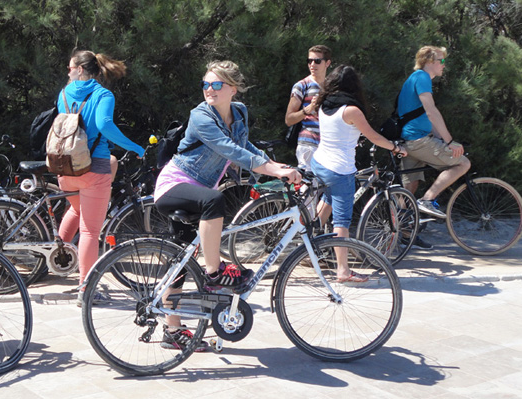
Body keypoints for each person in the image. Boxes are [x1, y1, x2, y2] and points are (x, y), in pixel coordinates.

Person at [154, 60, 300, 350]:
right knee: (215, 201)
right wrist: (271, 170)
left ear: (232, 88)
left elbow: (246, 146)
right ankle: (214, 272)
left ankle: (172, 331)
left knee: (181, 260)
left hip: (200, 189)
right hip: (174, 185)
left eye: (216, 84)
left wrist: (276, 165)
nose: (209, 89)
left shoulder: (240, 113)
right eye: (205, 84)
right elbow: (228, 149)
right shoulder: (200, 116)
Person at [56, 50, 145, 306]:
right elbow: (104, 125)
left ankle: (58, 253)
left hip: (65, 168)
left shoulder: (63, 93)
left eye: (70, 67)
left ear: (80, 70)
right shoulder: (103, 95)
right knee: (90, 231)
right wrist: (135, 147)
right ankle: (86, 288)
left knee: (76, 210)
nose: (68, 71)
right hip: (93, 169)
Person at [311, 65, 408, 283]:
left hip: (320, 163)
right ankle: (343, 270)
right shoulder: (351, 110)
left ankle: (309, 245)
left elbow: (340, 131)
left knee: (327, 200)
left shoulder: (323, 104)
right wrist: (395, 147)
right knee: (342, 222)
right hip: (339, 170)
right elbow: (374, 136)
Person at [398, 46, 470, 249]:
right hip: (418, 141)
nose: (444, 65)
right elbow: (431, 112)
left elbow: (426, 119)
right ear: (430, 61)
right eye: (442, 60)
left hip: (409, 140)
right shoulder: (422, 77)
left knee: (409, 188)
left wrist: (442, 138)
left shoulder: (415, 78)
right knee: (463, 163)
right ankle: (428, 200)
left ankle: (404, 234)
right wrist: (449, 142)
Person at [285, 45, 332, 171]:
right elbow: (289, 119)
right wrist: (309, 109)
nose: (312, 64)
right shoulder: (301, 86)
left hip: (329, 145)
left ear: (327, 63)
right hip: (309, 144)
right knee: (309, 187)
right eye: (309, 61)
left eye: (317, 61)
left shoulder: (331, 88)